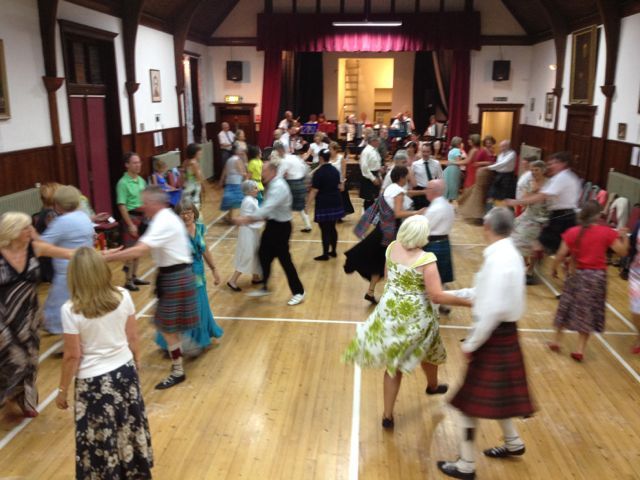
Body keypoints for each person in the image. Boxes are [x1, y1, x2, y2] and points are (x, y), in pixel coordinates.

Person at [343, 216, 471, 429]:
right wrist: (469, 302)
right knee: (426, 352)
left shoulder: (392, 248)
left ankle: (388, 415)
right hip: (416, 316)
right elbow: (437, 295)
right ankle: (431, 386)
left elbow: (387, 277)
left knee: (397, 364)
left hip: (389, 310)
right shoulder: (426, 259)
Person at [437, 208, 534, 480]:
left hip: (493, 335)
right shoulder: (511, 253)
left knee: (468, 405)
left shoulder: (497, 259)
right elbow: (483, 294)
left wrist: (472, 343)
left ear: (487, 227)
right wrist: (447, 294)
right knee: (499, 395)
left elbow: (490, 309)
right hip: (506, 333)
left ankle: (466, 465)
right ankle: (513, 442)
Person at [56, 247, 153, 479]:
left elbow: (72, 355)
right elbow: (133, 336)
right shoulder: (123, 295)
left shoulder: (70, 309)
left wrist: (62, 390)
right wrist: (136, 361)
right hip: (125, 373)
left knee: (99, 437)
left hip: (94, 383)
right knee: (128, 426)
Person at [105, 186, 198, 390]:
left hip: (175, 275)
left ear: (155, 203)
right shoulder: (165, 218)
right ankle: (181, 351)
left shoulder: (163, 221)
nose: (142, 207)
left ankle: (178, 369)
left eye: (145, 203)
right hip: (174, 274)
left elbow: (139, 250)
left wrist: (107, 258)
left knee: (166, 326)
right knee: (166, 324)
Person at [0, 212, 78, 417]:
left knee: (30, 359)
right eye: (26, 227)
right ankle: (8, 396)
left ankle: (23, 399)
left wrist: (102, 254)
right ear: (13, 231)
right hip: (3, 318)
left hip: (29, 316)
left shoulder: (35, 249)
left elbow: (70, 253)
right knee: (10, 358)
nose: (31, 230)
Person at [548, 201, 628, 361]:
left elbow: (561, 253)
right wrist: (624, 237)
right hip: (596, 277)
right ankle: (579, 349)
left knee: (566, 306)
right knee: (588, 311)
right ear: (598, 215)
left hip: (576, 274)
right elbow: (622, 252)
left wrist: (554, 268)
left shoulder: (572, 232)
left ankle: (556, 340)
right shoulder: (606, 232)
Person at [345, 166, 425, 304]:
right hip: (391, 232)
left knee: (380, 263)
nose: (408, 178)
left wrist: (423, 191)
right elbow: (398, 213)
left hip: (382, 229)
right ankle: (397, 294)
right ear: (402, 177)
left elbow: (407, 193)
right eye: (407, 176)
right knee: (393, 263)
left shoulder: (390, 188)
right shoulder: (398, 192)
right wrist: (417, 213)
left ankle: (371, 292)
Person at [156, 199, 223, 355]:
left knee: (200, 306)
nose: (186, 216)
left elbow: (205, 249)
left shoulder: (199, 227)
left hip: (199, 273)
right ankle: (178, 343)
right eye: (182, 213)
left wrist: (214, 269)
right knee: (186, 310)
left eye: (189, 212)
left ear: (194, 213)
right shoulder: (175, 232)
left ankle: (197, 340)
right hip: (183, 275)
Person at [235, 163, 306, 306]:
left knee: (285, 260)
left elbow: (267, 207)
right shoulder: (272, 184)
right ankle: (265, 286)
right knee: (263, 254)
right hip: (272, 225)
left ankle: (299, 292)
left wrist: (247, 219)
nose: (262, 174)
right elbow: (268, 209)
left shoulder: (278, 187)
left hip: (281, 228)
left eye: (264, 171)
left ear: (273, 171)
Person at [41, 186, 95, 335]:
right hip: (86, 267)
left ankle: (61, 333)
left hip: (67, 272)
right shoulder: (83, 216)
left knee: (59, 305)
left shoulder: (62, 222)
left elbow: (42, 244)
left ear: (58, 205)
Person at [507, 152, 581, 256]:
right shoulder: (560, 177)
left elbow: (542, 196)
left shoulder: (562, 177)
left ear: (563, 164)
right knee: (541, 247)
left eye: (555, 163)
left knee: (545, 247)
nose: (551, 166)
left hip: (563, 217)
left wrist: (517, 202)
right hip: (559, 216)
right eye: (550, 163)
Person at [116, 152, 151, 292]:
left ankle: (134, 276)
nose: (138, 165)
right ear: (127, 165)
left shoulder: (141, 181)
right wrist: (130, 224)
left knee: (139, 249)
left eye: (139, 162)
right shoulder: (123, 183)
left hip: (143, 219)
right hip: (131, 219)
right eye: (135, 163)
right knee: (130, 251)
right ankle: (128, 280)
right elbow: (121, 206)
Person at [511, 160, 549, 284]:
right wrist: (534, 191)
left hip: (542, 217)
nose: (533, 172)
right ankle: (523, 266)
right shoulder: (530, 183)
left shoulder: (549, 183)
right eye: (532, 170)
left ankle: (531, 270)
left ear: (543, 170)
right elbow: (524, 200)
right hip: (529, 214)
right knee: (516, 239)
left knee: (533, 244)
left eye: (536, 170)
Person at [422, 180, 456, 314]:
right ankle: (442, 304)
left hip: (432, 244)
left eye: (427, 188)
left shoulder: (434, 209)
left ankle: (432, 307)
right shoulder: (448, 205)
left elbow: (424, 229)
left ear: (433, 191)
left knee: (430, 278)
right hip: (444, 242)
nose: (425, 191)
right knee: (440, 277)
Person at [307, 149, 344, 260]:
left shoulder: (319, 172)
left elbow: (314, 190)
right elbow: (339, 185)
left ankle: (325, 254)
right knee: (332, 227)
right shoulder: (335, 170)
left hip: (324, 203)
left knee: (324, 229)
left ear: (321, 158)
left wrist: (307, 205)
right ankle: (333, 251)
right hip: (336, 201)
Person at [227, 180, 263, 291]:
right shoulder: (249, 201)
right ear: (248, 190)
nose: (258, 190)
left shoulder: (252, 200)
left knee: (256, 252)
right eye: (255, 188)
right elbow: (254, 216)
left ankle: (255, 276)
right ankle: (232, 280)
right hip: (248, 231)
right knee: (248, 255)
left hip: (252, 230)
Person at [278, 146, 312, 232]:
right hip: (301, 183)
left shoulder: (284, 160)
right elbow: (304, 169)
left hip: (291, 184)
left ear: (280, 151)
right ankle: (308, 225)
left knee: (285, 205)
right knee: (301, 205)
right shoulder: (296, 158)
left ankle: (284, 226)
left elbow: (279, 174)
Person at [220, 145, 247, 222]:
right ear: (237, 151)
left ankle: (229, 217)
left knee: (231, 201)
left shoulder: (229, 159)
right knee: (235, 201)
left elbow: (224, 171)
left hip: (229, 182)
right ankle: (232, 218)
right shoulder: (238, 160)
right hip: (236, 182)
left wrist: (221, 181)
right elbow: (242, 172)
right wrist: (246, 176)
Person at [412, 143, 444, 209]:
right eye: (423, 152)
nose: (425, 154)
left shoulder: (436, 163)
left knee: (432, 210)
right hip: (420, 192)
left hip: (433, 190)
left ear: (431, 152)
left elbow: (441, 178)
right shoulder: (415, 164)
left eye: (427, 152)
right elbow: (411, 179)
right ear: (421, 152)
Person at [329, 141, 355, 217]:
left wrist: (342, 183)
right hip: (330, 182)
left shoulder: (341, 158)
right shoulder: (328, 158)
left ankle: (339, 215)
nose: (329, 151)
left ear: (335, 150)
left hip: (339, 182)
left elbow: (343, 172)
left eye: (330, 149)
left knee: (341, 200)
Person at [359, 136, 383, 210]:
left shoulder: (375, 150)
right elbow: (364, 167)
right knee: (369, 199)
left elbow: (375, 163)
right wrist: (373, 179)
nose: (379, 143)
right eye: (378, 141)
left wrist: (380, 170)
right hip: (368, 177)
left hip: (375, 174)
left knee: (374, 198)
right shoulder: (366, 151)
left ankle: (372, 215)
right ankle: (367, 215)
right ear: (373, 141)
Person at [181, 143, 205, 210]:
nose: (201, 154)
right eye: (199, 153)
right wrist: (204, 187)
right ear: (195, 153)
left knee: (187, 209)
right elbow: (199, 178)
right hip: (193, 188)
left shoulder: (185, 162)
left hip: (186, 187)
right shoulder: (194, 163)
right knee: (195, 209)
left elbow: (182, 177)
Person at [443, 137, 464, 201]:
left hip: (448, 169)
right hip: (454, 169)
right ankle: (452, 199)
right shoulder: (458, 150)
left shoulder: (450, 151)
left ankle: (447, 199)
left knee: (448, 184)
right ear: (458, 144)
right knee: (454, 184)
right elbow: (458, 161)